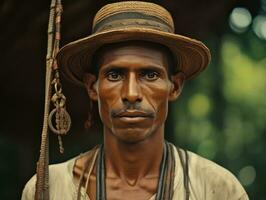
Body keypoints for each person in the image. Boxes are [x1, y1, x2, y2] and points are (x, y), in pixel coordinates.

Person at [22, 1, 249, 200]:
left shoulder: (218, 188)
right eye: (114, 75)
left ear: (175, 86)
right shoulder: (49, 189)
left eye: (150, 75)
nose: (131, 93)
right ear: (93, 87)